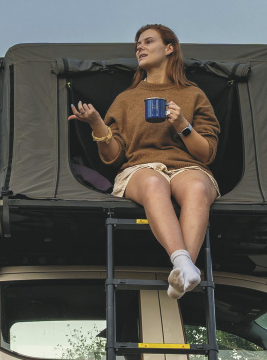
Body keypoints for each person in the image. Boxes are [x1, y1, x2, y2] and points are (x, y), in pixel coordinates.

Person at [70, 23, 221, 297]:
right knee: (153, 183)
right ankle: (184, 265)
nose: (140, 47)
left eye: (148, 41)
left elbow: (207, 153)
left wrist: (183, 125)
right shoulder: (126, 99)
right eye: (138, 44)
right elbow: (113, 156)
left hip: (187, 167)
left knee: (198, 188)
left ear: (169, 48)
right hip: (141, 167)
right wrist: (96, 123)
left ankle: (183, 274)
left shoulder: (194, 95)